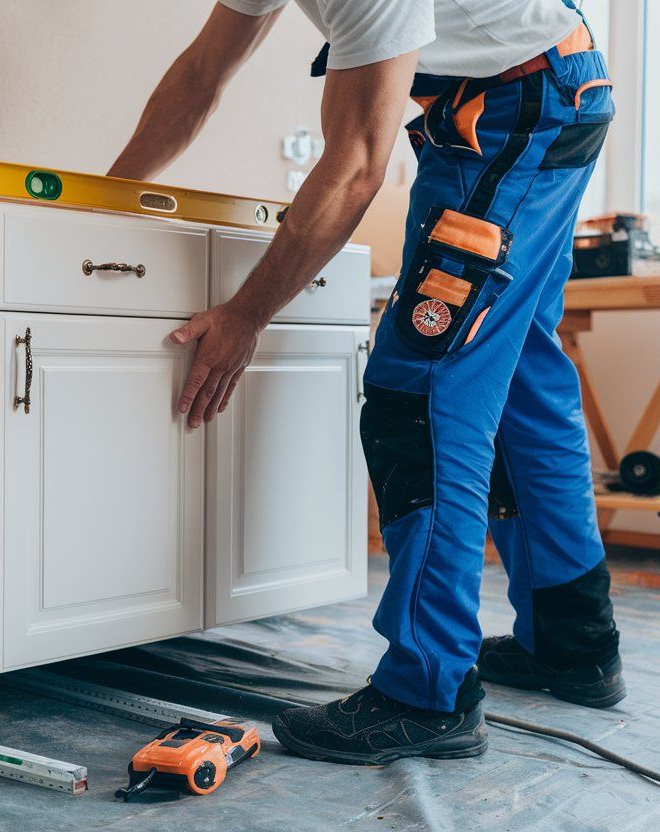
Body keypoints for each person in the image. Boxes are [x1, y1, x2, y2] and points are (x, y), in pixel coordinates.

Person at [110, 0, 624, 766]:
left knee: (421, 391)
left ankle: (429, 693)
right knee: (514, 380)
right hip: (520, 101)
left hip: (519, 111)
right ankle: (573, 645)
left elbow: (354, 168)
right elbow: (199, 74)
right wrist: (106, 198)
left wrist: (249, 313)